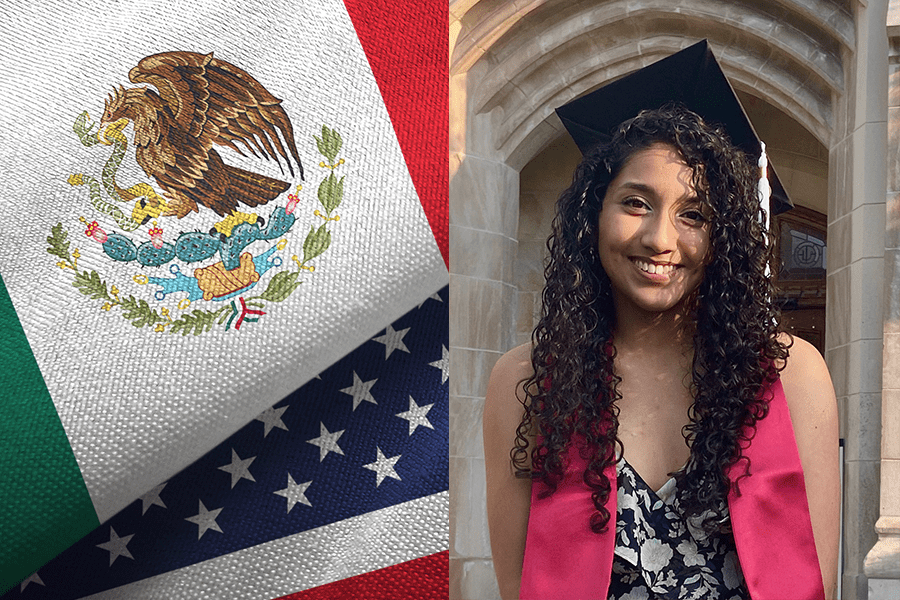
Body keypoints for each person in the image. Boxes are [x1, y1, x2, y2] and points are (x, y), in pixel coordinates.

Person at [483, 43, 839, 600]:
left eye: (693, 214)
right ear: (593, 211)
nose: (660, 239)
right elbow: (516, 586)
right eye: (635, 202)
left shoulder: (790, 376)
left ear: (722, 237)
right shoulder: (527, 384)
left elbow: (812, 581)